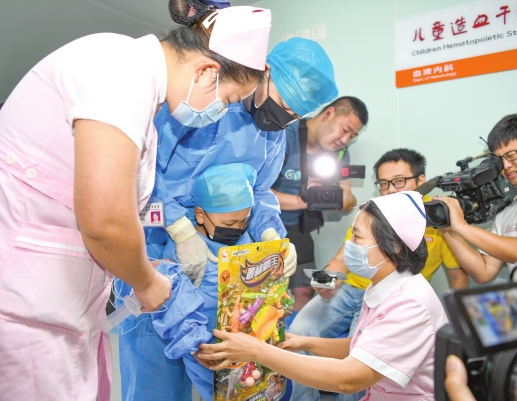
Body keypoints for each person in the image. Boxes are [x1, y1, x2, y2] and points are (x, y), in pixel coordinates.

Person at [0, 0, 272, 398]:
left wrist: (154, 269)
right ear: (206, 72)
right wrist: (148, 284)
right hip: (24, 305)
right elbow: (106, 222)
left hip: (58, 304)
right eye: (228, 100)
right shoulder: (118, 68)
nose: (221, 112)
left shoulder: (142, 93)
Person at [199, 191, 449, 401]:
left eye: (357, 237)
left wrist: (257, 352)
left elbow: (349, 378)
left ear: (393, 246)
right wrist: (303, 342)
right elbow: (362, 347)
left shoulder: (411, 304)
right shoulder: (385, 286)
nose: (349, 243)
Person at [146, 36, 339, 288]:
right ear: (266, 71)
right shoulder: (204, 101)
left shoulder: (273, 135)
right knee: (162, 311)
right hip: (162, 235)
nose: (282, 119)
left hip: (227, 246)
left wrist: (272, 235)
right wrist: (180, 230)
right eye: (283, 104)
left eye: (294, 116)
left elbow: (259, 191)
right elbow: (146, 171)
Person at [288, 148, 469, 401]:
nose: (391, 190)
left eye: (398, 181)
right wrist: (327, 279)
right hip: (351, 290)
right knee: (299, 331)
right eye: (384, 183)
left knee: (354, 379)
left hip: (391, 304)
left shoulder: (411, 299)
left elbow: (351, 374)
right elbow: (341, 259)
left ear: (420, 180)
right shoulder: (370, 223)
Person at [118, 163, 258, 401]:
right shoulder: (183, 251)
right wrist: (196, 343)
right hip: (191, 336)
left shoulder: (244, 241)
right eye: (229, 224)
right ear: (200, 215)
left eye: (243, 222)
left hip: (228, 340)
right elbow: (176, 302)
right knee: (159, 389)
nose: (237, 229)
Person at [271, 96, 367, 311]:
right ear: (328, 113)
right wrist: (304, 200)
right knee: (265, 291)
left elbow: (350, 201)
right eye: (344, 129)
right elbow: (258, 191)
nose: (345, 140)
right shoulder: (286, 133)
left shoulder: (341, 154)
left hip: (298, 228)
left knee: (305, 290)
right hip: (264, 223)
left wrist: (335, 198)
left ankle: (296, 341)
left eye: (352, 136)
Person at [438, 114, 517, 286]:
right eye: (499, 160)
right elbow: (483, 272)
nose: (505, 166)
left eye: (511, 155)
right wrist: (449, 229)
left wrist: (462, 227)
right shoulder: (507, 210)